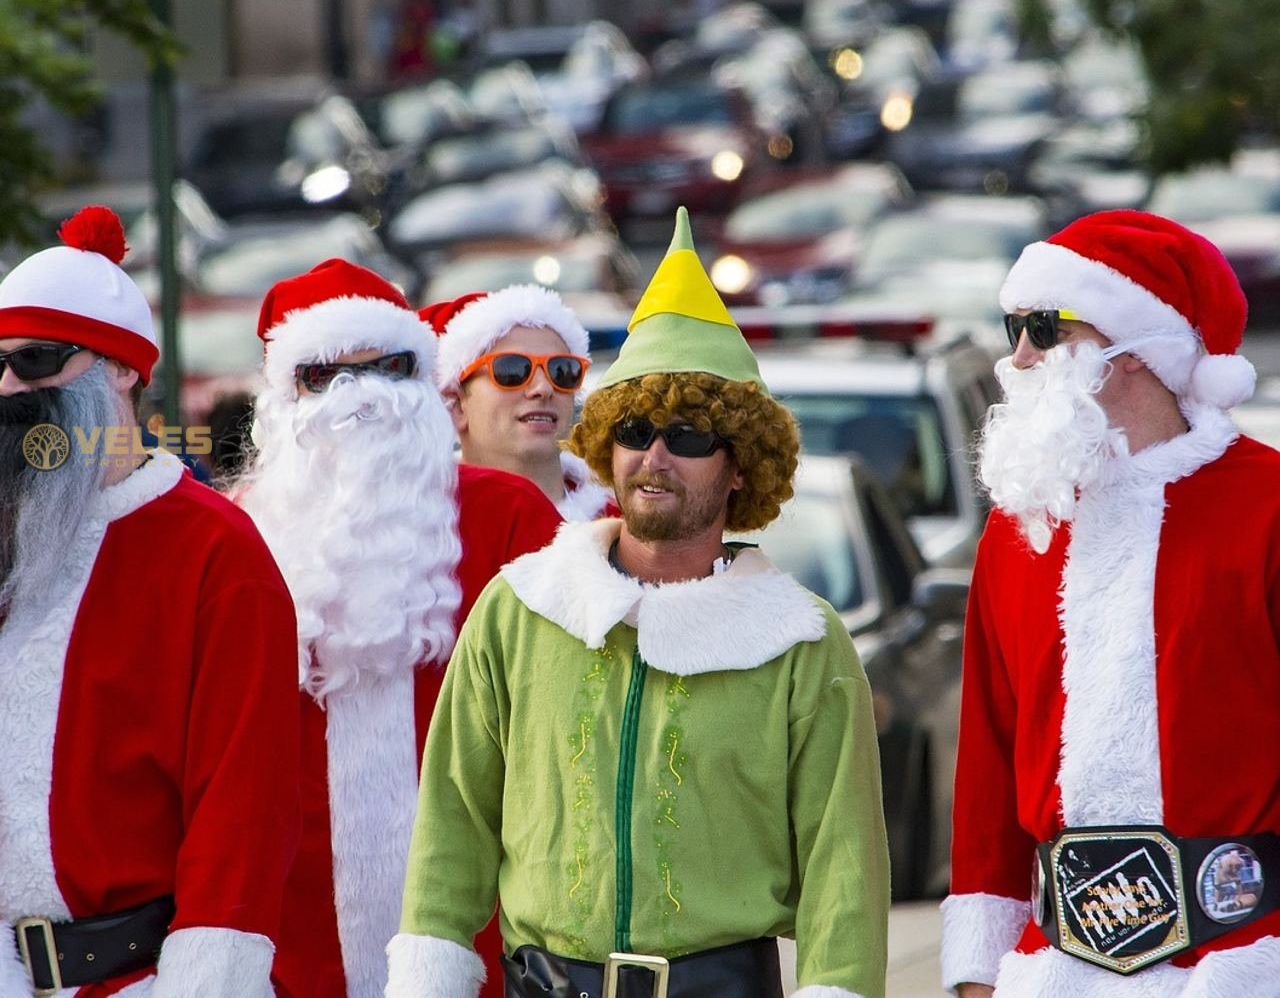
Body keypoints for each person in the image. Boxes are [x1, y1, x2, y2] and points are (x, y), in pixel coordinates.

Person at [386, 208, 890, 998]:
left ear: (738, 468)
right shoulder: (521, 607)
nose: (655, 455)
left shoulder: (800, 643)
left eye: (690, 437)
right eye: (635, 429)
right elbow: (451, 831)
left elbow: (844, 871)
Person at [943, 210, 1280, 997]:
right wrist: (975, 971)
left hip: (1244, 960)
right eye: (1010, 326)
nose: (1017, 356)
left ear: (1137, 351)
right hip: (1057, 967)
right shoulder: (1019, 529)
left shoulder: (1267, 506)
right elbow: (988, 758)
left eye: (1043, 327)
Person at [232, 259, 562, 998]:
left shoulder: (510, 518)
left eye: (386, 367)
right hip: (289, 950)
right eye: (325, 376)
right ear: (285, 398)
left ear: (422, 383)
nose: (359, 395)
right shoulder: (237, 538)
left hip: (485, 941)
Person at [0, 206, 299, 994]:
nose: (8, 387)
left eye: (35, 361)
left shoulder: (214, 552)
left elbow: (243, 809)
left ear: (122, 371)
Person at [424, 284, 617, 521]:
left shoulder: (626, 533)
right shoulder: (420, 532)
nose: (543, 389)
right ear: (456, 404)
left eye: (562, 371)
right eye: (512, 370)